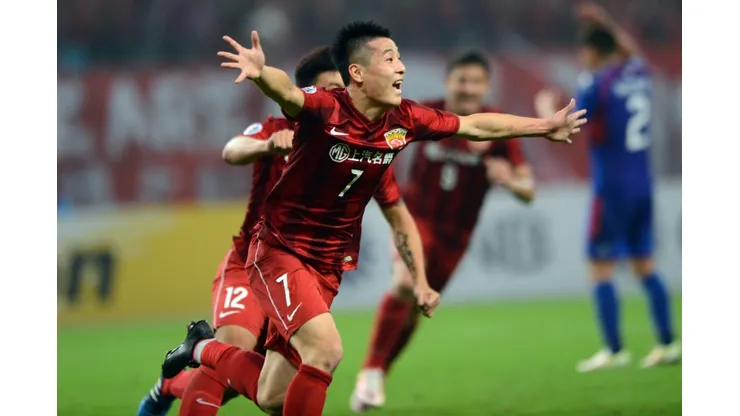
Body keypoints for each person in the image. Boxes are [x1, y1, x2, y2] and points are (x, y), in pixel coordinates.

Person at [163, 21, 586, 416]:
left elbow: (474, 125)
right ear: (358, 73)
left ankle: (201, 348)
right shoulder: (326, 109)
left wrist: (543, 126)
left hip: (327, 266)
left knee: (273, 396)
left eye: (399, 58)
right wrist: (260, 74)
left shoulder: (404, 120)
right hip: (279, 251)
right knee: (326, 351)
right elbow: (288, 93)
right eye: (389, 58)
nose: (401, 67)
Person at [136, 46, 408, 416]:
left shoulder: (354, 142)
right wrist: (265, 147)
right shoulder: (278, 129)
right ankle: (200, 351)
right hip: (254, 260)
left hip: (304, 273)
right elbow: (232, 150)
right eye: (330, 90)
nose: (339, 99)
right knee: (232, 350)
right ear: (305, 93)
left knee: (270, 393)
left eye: (342, 89)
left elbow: (394, 206)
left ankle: (174, 380)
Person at [351, 50, 536, 412]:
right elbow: (381, 133)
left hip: (456, 237)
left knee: (417, 307)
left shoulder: (497, 126)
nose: (468, 88)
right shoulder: (425, 114)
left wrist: (509, 180)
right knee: (404, 284)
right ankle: (370, 370)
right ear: (447, 82)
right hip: (415, 219)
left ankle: (379, 372)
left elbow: (528, 190)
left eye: (476, 82)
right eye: (461, 80)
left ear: (486, 86)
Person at [533, 3, 680, 372]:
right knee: (645, 264)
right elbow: (630, 49)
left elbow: (564, 126)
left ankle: (614, 350)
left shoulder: (596, 82)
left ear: (592, 52)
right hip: (642, 184)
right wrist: (607, 24)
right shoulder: (638, 72)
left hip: (611, 187)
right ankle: (667, 343)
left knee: (600, 267)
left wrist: (545, 107)